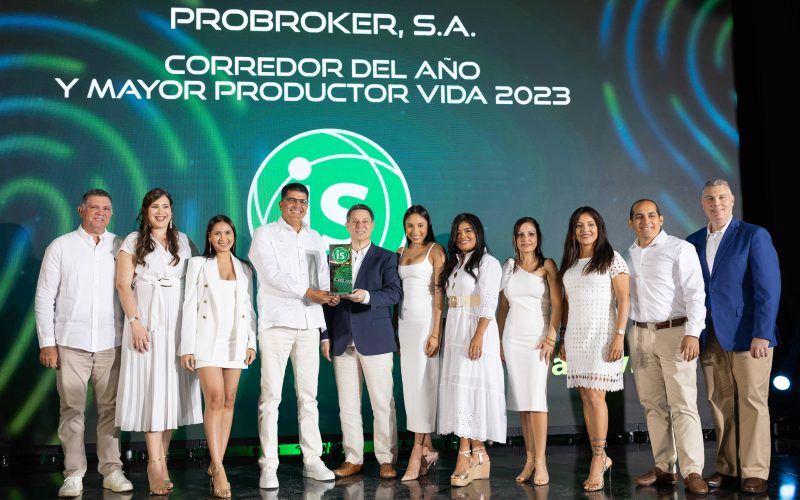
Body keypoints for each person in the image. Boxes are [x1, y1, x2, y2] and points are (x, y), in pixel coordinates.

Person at [34, 189, 133, 497]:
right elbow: (44, 297)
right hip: (70, 343)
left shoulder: (121, 246)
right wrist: (47, 343)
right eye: (94, 207)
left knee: (110, 411)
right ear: (81, 210)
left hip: (111, 342)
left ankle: (112, 470)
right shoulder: (60, 247)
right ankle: (74, 474)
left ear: (111, 213)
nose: (100, 213)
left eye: (106, 208)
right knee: (71, 410)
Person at [687, 179, 780, 494]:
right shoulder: (693, 241)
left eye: (722, 197)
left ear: (732, 200)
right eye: (710, 199)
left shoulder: (753, 235)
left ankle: (755, 470)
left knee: (753, 401)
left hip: (749, 335)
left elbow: (769, 288)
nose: (717, 203)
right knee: (719, 401)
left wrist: (763, 333)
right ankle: (728, 468)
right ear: (703, 204)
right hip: (710, 335)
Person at [248, 183, 336, 488]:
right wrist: (310, 292)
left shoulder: (315, 237)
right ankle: (269, 465)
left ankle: (312, 460)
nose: (298, 206)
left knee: (309, 398)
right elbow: (271, 274)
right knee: (270, 398)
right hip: (277, 323)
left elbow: (322, 278)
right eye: (292, 201)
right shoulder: (265, 234)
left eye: (303, 201)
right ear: (281, 204)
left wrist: (331, 298)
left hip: (309, 324)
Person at [115, 188, 202, 495]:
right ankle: (154, 464)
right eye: (155, 206)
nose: (161, 212)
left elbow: (196, 284)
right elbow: (123, 285)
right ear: (146, 211)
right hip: (146, 324)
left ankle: (162, 459)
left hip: (177, 324)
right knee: (152, 390)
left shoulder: (183, 242)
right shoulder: (132, 241)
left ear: (171, 211)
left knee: (171, 394)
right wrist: (135, 322)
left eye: (165, 206)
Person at [625, 199, 708, 495]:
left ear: (661, 219)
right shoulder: (628, 255)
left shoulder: (679, 248)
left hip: (676, 332)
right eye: (639, 216)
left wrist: (693, 333)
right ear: (631, 223)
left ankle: (693, 470)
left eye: (651, 215)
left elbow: (696, 293)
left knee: (683, 404)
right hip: (640, 334)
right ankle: (664, 467)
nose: (645, 221)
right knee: (653, 405)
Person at [322, 204, 402, 479]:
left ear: (373, 225)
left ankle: (386, 459)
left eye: (365, 221)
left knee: (382, 403)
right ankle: (353, 458)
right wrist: (326, 334)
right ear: (347, 225)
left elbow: (394, 293)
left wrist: (366, 296)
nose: (360, 225)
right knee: (348, 405)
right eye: (354, 221)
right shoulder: (338, 255)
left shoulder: (385, 257)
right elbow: (329, 300)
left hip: (376, 339)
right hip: (343, 339)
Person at [179, 215, 257, 497]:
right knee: (214, 398)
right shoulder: (198, 265)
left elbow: (249, 307)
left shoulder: (244, 268)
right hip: (207, 340)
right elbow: (189, 305)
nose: (223, 238)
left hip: (235, 341)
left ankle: (216, 462)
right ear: (209, 238)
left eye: (227, 233)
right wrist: (187, 347)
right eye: (217, 234)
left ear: (233, 236)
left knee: (229, 399)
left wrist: (251, 342)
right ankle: (219, 468)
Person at [557, 206, 629, 492]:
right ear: (573, 231)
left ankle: (598, 457)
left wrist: (619, 336)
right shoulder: (570, 263)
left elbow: (624, 300)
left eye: (590, 224)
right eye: (579, 225)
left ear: (599, 228)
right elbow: (566, 305)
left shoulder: (612, 258)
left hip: (603, 336)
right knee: (587, 397)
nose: (584, 230)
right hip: (577, 337)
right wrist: (564, 337)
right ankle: (600, 454)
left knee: (597, 397)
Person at [438, 213, 506, 487]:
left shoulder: (488, 263)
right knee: (460, 391)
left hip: (476, 330)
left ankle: (465, 453)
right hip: (455, 330)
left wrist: (478, 335)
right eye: (458, 232)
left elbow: (488, 303)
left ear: (478, 232)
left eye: (468, 231)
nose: (462, 236)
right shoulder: (456, 263)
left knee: (471, 390)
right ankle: (478, 453)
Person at [497, 216, 561, 486]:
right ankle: (530, 459)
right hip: (512, 340)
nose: (526, 239)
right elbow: (502, 307)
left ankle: (542, 462)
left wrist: (551, 337)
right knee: (522, 403)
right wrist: (499, 341)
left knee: (536, 401)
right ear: (514, 239)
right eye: (521, 235)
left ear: (538, 238)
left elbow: (558, 303)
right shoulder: (508, 267)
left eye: (531, 234)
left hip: (538, 339)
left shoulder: (548, 265)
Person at [395, 205, 445, 481]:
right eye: (410, 226)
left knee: (425, 387)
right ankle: (428, 448)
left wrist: (435, 332)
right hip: (405, 327)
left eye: (420, 226)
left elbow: (440, 294)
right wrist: (395, 329)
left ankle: (417, 453)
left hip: (426, 325)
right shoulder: (400, 253)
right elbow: (397, 294)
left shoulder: (435, 251)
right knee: (412, 390)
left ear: (428, 226)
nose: (415, 231)